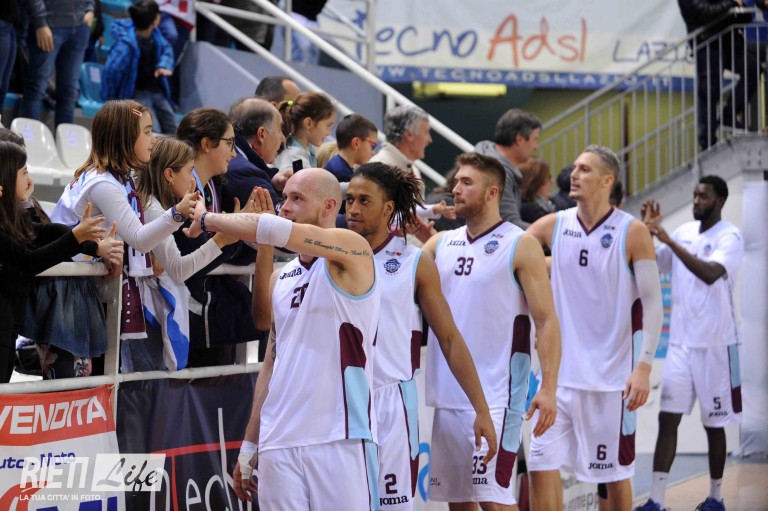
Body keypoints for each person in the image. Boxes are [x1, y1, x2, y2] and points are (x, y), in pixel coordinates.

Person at [186, 168, 377, 509]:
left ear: (329, 206)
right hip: (279, 439)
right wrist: (250, 443)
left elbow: (276, 229)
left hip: (339, 436)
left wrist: (206, 217)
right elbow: (271, 363)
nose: (284, 206)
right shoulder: (281, 277)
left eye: (297, 199)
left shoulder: (353, 250)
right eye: (284, 197)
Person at [345, 161, 497, 510]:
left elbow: (450, 339)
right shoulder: (332, 254)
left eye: (364, 201)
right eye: (349, 199)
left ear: (388, 208)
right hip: (341, 403)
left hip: (391, 401)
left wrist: (481, 409)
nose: (352, 209)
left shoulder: (414, 261)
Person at [526, 145, 663, 511]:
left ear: (607, 180)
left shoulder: (632, 232)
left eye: (585, 169)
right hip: (557, 380)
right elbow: (512, 254)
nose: (574, 174)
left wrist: (644, 368)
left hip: (611, 381)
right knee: (540, 465)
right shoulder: (553, 225)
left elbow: (653, 306)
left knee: (615, 476)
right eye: (574, 168)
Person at [422, 152, 561, 510]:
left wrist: (548, 388)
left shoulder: (521, 244)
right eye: (456, 181)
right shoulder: (440, 243)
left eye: (467, 182)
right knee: (459, 503)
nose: (456, 189)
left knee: (494, 502)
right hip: (449, 395)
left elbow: (546, 320)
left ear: (492, 192)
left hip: (499, 397)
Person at [50, 100, 199, 373]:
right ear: (125, 137)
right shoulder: (103, 184)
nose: (154, 140)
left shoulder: (120, 177)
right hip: (67, 291)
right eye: (147, 132)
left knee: (95, 380)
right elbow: (139, 238)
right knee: (75, 382)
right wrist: (177, 214)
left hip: (82, 288)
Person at [634, 176, 743, 511]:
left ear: (720, 201)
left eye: (703, 196)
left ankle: (716, 498)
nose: (696, 201)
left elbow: (710, 273)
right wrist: (645, 231)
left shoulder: (730, 236)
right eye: (694, 195)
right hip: (680, 345)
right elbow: (653, 263)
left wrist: (667, 238)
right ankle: (656, 501)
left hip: (717, 347)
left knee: (714, 425)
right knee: (668, 420)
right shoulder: (683, 232)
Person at [0, 141, 113, 383]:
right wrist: (76, 237)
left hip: (9, 325)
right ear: (6, 181)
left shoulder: (12, 217)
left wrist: (93, 246)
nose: (29, 179)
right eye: (24, 172)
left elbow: (44, 232)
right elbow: (29, 261)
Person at [136, 135, 240, 370]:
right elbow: (179, 270)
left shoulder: (154, 203)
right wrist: (220, 241)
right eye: (189, 170)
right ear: (169, 174)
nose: (193, 179)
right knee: (140, 386)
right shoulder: (152, 207)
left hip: (139, 310)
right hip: (136, 313)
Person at [175, 108, 263, 366]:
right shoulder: (179, 191)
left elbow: (219, 253)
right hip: (182, 305)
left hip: (203, 300)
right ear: (206, 144)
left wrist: (237, 233)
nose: (234, 153)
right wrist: (229, 235)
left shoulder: (215, 185)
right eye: (230, 143)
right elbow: (190, 259)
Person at [678, 0, 758, 149]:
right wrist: (732, 3)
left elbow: (743, 17)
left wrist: (740, 8)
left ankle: (729, 115)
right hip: (707, 43)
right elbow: (705, 12)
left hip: (729, 41)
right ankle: (707, 141)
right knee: (709, 91)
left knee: (752, 68)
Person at [102, 0, 178, 134]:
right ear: (154, 21)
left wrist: (163, 65)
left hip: (156, 91)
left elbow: (167, 50)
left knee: (173, 125)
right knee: (152, 128)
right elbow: (111, 72)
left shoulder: (157, 36)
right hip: (135, 94)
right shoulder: (126, 46)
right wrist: (111, 101)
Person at [20, 0, 94, 127]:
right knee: (36, 87)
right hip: (49, 24)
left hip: (80, 27)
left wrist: (90, 8)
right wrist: (40, 21)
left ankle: (64, 139)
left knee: (69, 93)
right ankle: (28, 138)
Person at [475, 109, 541, 230]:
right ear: (519, 139)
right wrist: (548, 233)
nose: (535, 147)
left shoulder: (488, 161)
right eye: (534, 139)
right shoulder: (498, 173)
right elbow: (508, 225)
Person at [222, 97, 284, 213]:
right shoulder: (245, 173)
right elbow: (280, 219)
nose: (283, 139)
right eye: (279, 130)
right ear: (261, 134)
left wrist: (274, 184)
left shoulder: (236, 157)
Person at [370, 105, 432, 196]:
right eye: (426, 132)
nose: (430, 140)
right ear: (409, 134)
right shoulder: (377, 169)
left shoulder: (414, 171)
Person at [275, 91, 336, 173]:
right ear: (308, 123)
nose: (329, 133)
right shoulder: (295, 157)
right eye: (328, 126)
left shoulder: (308, 148)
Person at [325, 113, 379, 183]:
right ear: (356, 143)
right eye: (372, 146)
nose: (373, 152)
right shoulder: (343, 175)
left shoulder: (336, 165)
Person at [520, 157, 555, 224]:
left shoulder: (544, 206)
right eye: (548, 177)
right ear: (537, 182)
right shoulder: (532, 212)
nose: (552, 182)